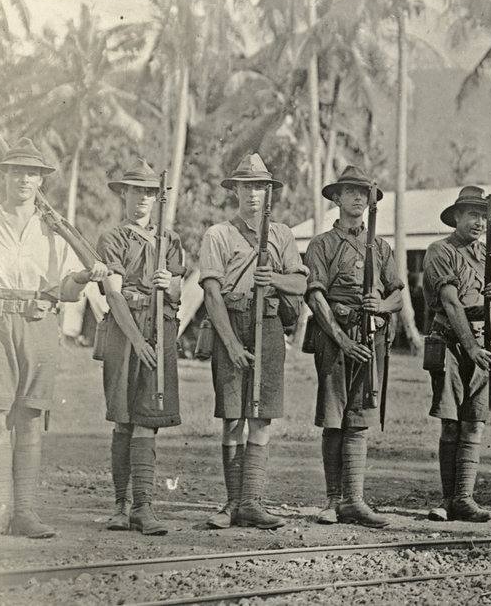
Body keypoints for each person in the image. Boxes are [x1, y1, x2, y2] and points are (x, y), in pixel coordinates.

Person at [0, 138, 108, 539]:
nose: (24, 179)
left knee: (31, 416)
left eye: (32, 173)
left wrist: (85, 276)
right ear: (4, 176)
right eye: (17, 171)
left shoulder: (54, 228)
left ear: (41, 181)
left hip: (40, 322)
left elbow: (66, 289)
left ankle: (24, 511)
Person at [199, 153, 307, 530]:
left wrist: (272, 278)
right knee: (232, 417)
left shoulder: (282, 234)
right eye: (246, 186)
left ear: (268, 192)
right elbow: (211, 294)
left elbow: (300, 283)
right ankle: (232, 502)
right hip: (231, 321)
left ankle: (251, 503)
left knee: (261, 416)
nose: (253, 194)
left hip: (269, 325)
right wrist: (230, 343)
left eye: (260, 186)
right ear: (236, 191)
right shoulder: (218, 234)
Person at [304, 166, 404, 528]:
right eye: (350, 192)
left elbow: (398, 295)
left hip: (371, 337)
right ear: (337, 198)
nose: (359, 198)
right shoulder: (321, 244)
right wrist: (343, 341)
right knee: (334, 419)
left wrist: (382, 305)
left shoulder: (381, 246)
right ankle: (333, 500)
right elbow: (315, 297)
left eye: (364, 193)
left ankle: (355, 501)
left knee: (360, 419)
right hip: (335, 337)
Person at [97, 159, 185, 535]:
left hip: (159, 331)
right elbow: (113, 295)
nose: (143, 199)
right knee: (123, 420)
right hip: (124, 333)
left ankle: (143, 507)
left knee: (148, 420)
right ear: (125, 194)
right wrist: (136, 340)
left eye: (149, 193)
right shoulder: (113, 238)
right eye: (136, 191)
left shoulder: (170, 240)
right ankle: (120, 505)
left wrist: (169, 283)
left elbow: (179, 291)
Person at [422, 186, 491, 523]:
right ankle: (447, 499)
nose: (479, 222)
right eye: (473, 215)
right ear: (457, 216)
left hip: (485, 344)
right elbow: (450, 302)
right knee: (451, 423)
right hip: (451, 343)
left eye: (484, 217)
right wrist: (471, 348)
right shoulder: (440, 251)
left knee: (475, 422)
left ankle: (464, 498)